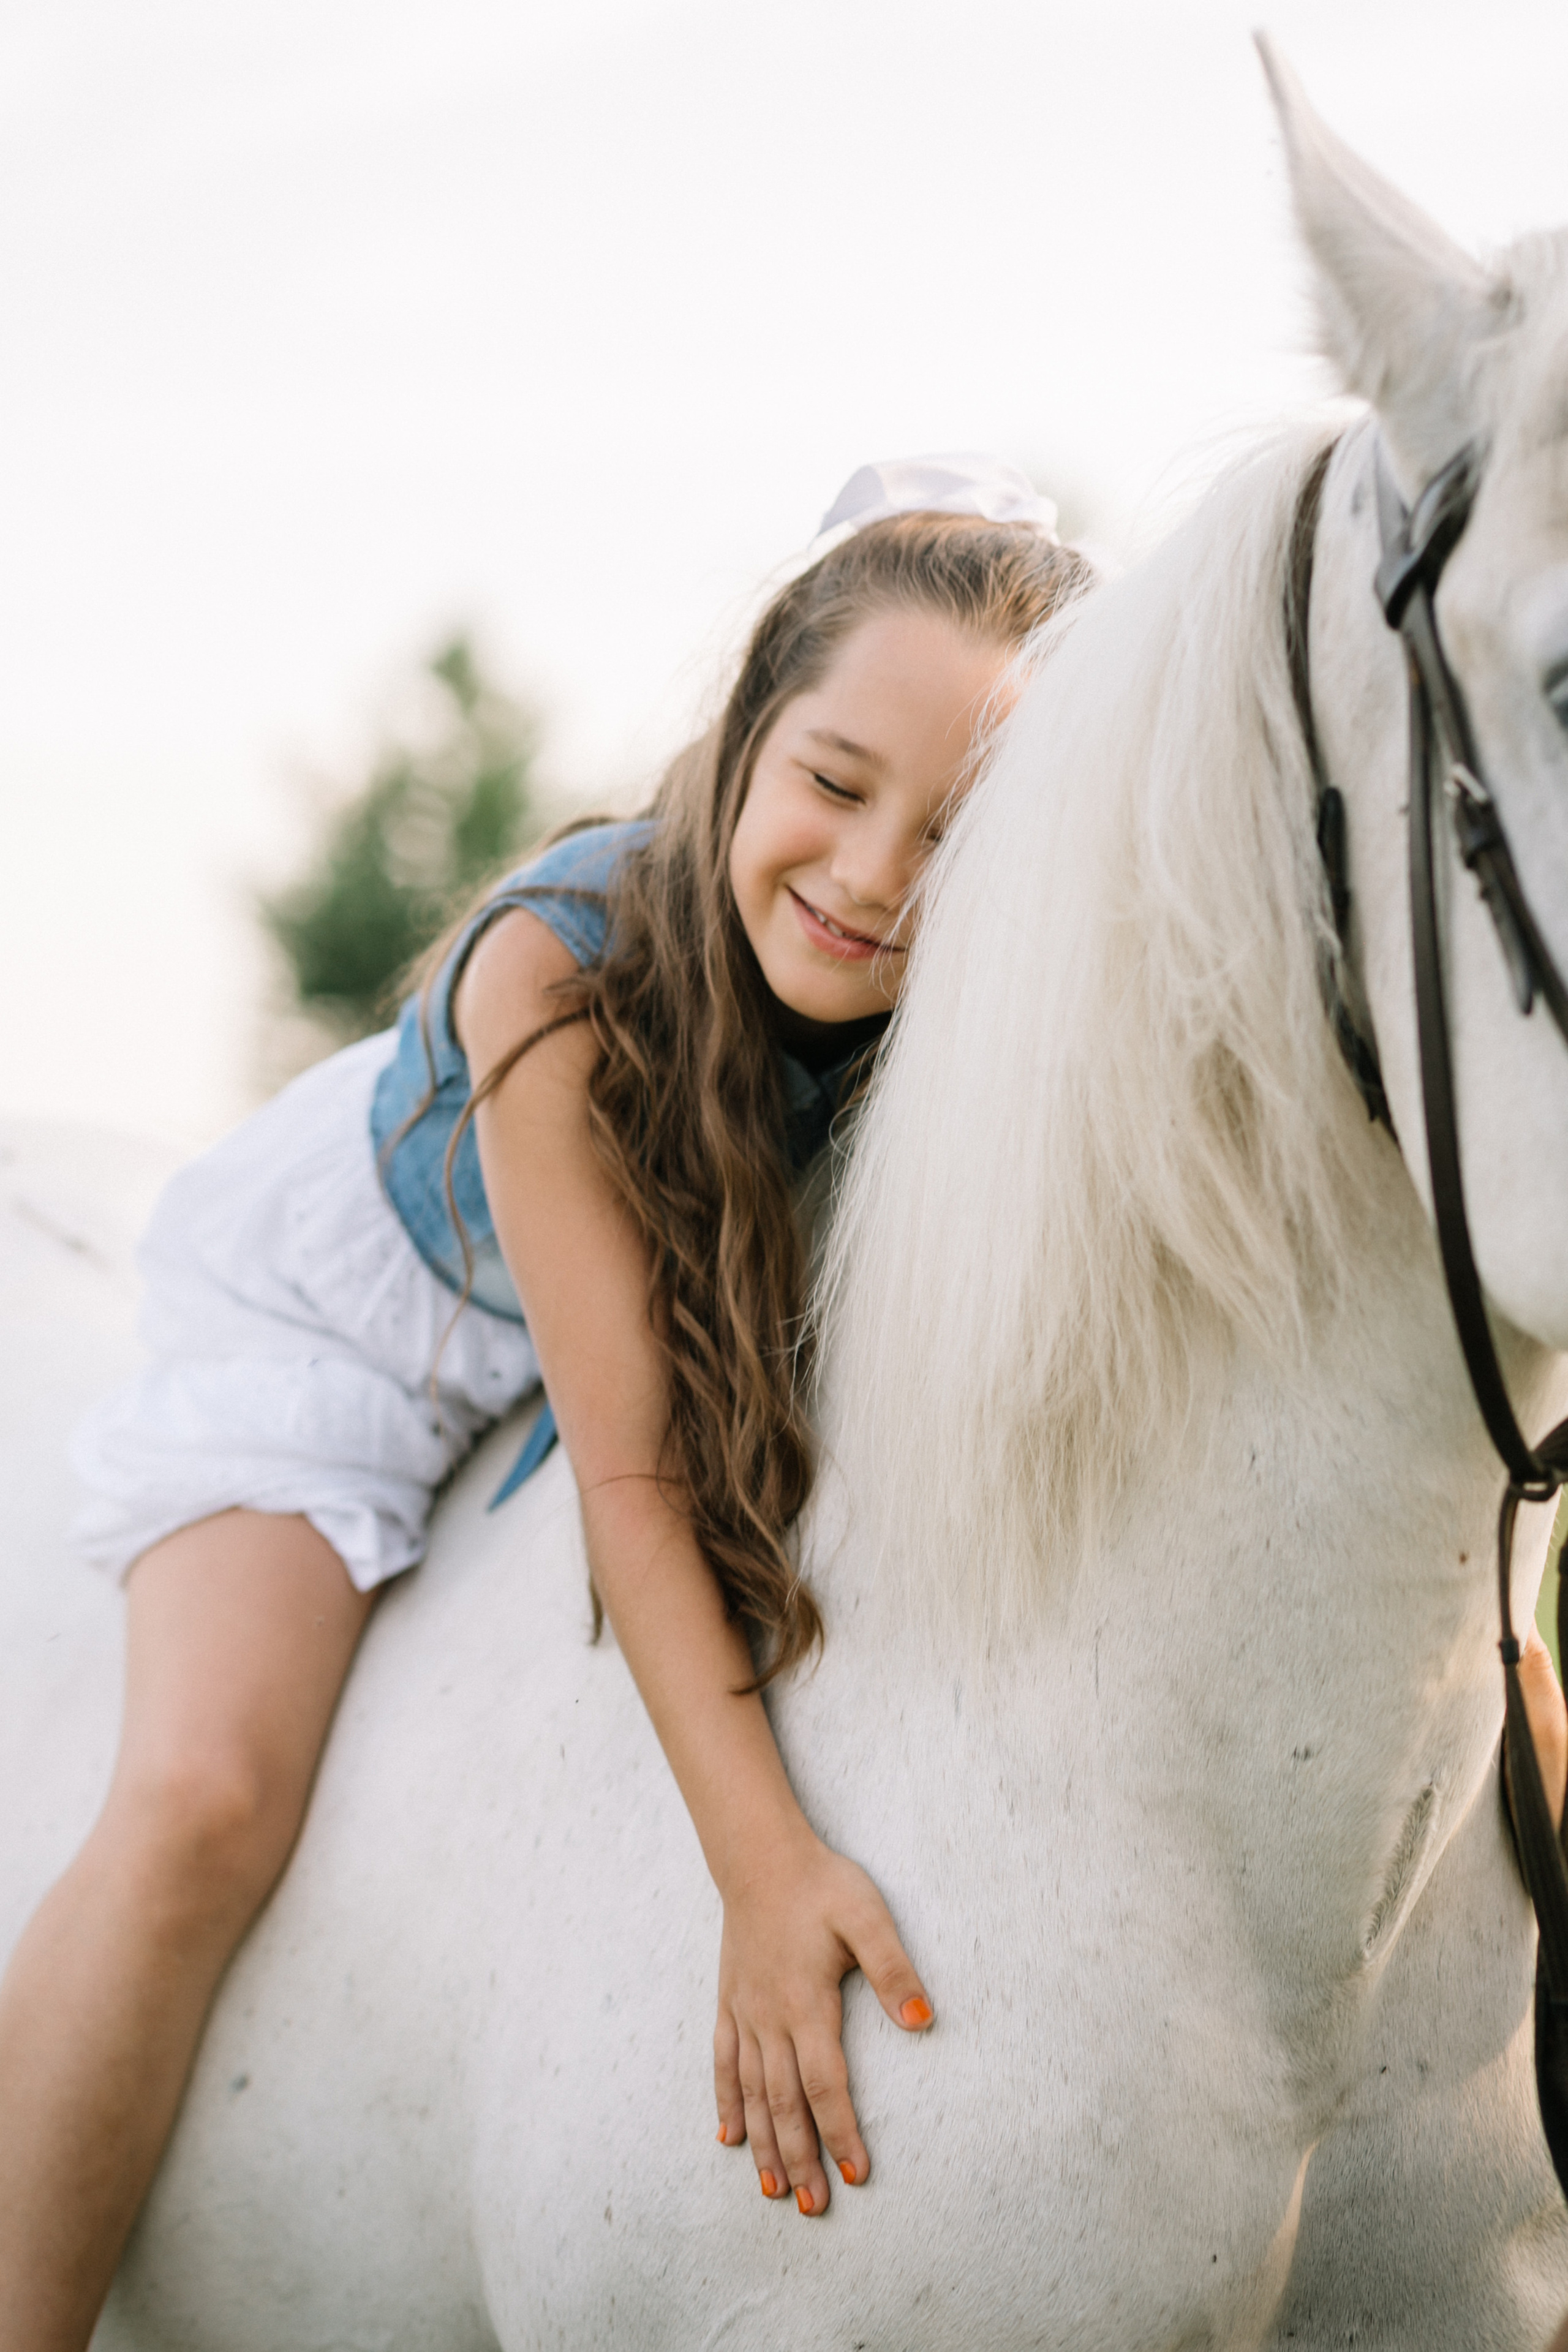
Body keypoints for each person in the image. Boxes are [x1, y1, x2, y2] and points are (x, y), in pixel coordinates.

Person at [0, 458, 1096, 2349]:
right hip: (351, 1325)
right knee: (198, 1797)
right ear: (748, 730)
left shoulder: (964, 1016)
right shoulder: (559, 970)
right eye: (837, 786)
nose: (872, 880)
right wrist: (764, 1867)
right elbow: (636, 1471)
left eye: (957, 837)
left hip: (578, 1337)